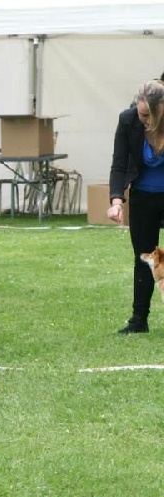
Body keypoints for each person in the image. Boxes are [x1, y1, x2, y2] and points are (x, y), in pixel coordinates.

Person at [108, 80, 164, 334]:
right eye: (140, 113)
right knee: (143, 257)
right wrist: (116, 200)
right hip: (143, 197)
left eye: (147, 114)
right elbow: (119, 163)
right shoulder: (128, 119)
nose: (143, 119)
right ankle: (138, 320)